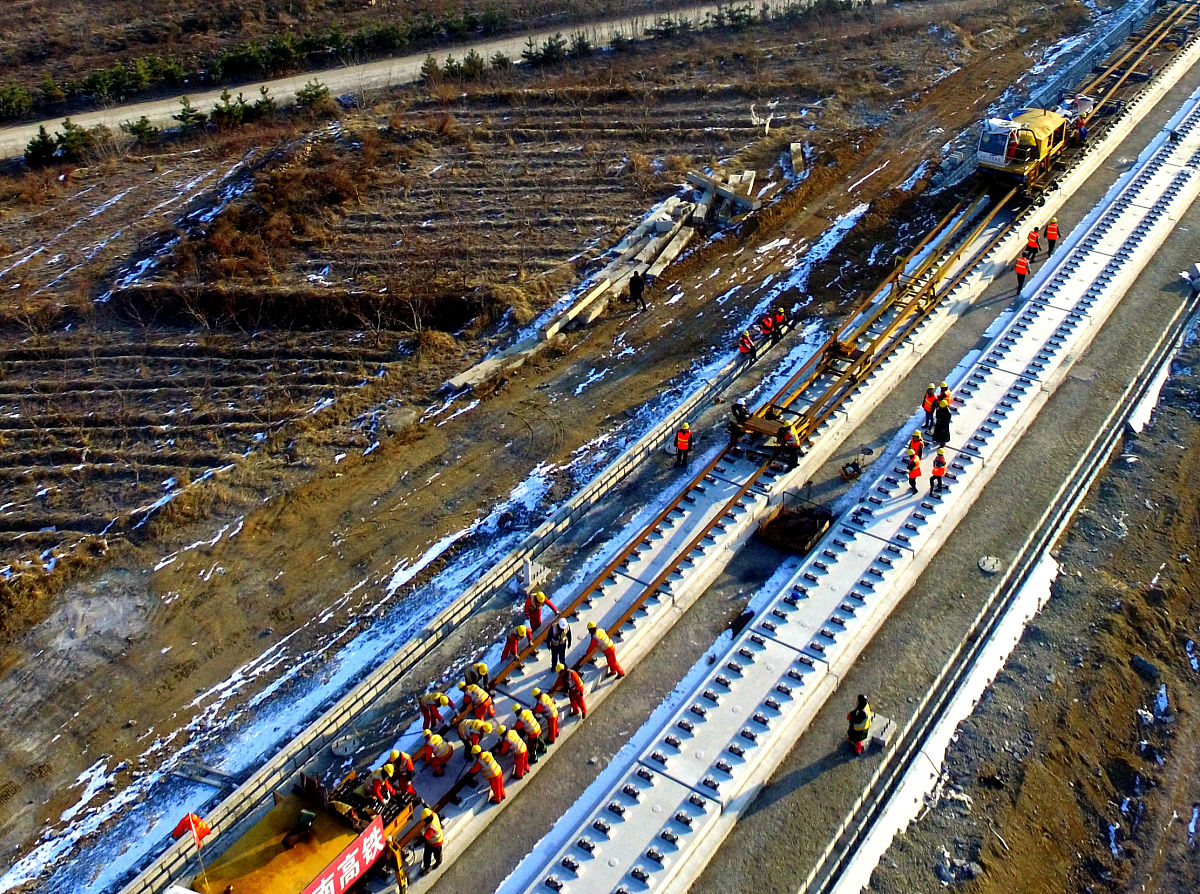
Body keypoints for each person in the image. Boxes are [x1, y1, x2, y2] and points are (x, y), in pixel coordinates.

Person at [421, 808, 444, 874]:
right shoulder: (434, 815)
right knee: (426, 855)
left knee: (436, 854)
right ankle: (427, 867)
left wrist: (417, 836)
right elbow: (428, 809)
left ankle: (438, 861)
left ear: (427, 819)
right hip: (431, 841)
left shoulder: (431, 827)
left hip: (436, 842)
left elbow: (425, 838)